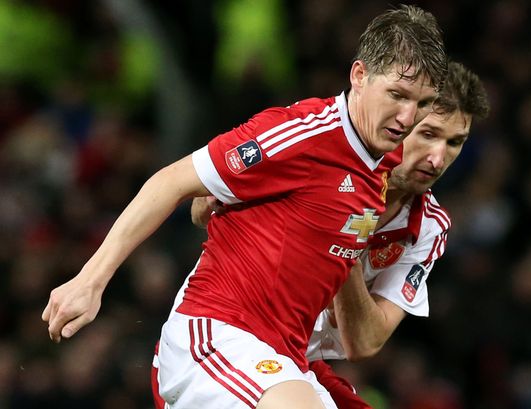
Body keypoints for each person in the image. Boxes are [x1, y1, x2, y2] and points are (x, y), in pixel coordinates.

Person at [42, 4, 447, 409]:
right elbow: (170, 182)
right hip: (215, 335)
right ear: (359, 76)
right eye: (397, 95)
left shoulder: (384, 163)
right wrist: (90, 280)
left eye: (424, 103)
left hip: (283, 357)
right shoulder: (303, 134)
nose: (408, 116)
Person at [179, 61, 490, 408]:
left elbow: (365, 343)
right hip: (223, 339)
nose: (437, 159)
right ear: (402, 122)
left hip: (295, 361)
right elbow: (200, 206)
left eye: (454, 143)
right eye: (429, 134)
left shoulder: (428, 227)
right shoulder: (320, 151)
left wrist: (347, 243)